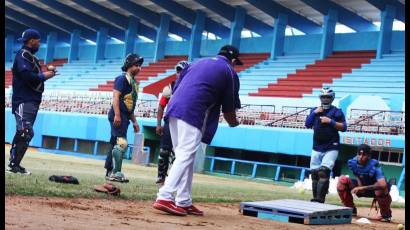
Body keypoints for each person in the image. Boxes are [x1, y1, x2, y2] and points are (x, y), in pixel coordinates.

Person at [153, 45, 242, 216]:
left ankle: (183, 201)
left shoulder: (196, 63)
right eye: (235, 63)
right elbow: (229, 110)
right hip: (193, 112)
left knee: (185, 156)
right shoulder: (228, 71)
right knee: (186, 154)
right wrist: (234, 123)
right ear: (233, 61)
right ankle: (164, 196)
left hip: (173, 109)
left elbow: (176, 86)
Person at [6, 29, 58, 175]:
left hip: (32, 99)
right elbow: (28, 76)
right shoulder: (23, 55)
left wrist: (46, 73)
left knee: (25, 132)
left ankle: (15, 164)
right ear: (32, 40)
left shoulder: (31, 57)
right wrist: (45, 75)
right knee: (25, 131)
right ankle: (13, 165)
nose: (39, 43)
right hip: (24, 99)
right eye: (38, 40)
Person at [104, 53, 143, 183]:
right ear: (129, 65)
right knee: (122, 143)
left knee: (115, 143)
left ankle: (110, 171)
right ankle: (116, 173)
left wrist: (135, 122)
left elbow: (129, 105)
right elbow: (115, 97)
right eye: (136, 65)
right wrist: (117, 114)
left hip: (124, 116)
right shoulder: (122, 79)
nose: (139, 68)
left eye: (140, 66)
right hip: (118, 115)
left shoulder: (134, 83)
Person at [305, 87, 347, 203]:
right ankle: (315, 198)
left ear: (332, 98)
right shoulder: (315, 110)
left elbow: (344, 127)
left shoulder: (337, 111)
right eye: (323, 97)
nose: (325, 99)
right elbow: (307, 124)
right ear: (320, 98)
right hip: (317, 146)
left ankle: (320, 199)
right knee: (314, 173)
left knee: (323, 171)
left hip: (331, 146)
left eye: (328, 97)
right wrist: (314, 113)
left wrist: (330, 121)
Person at [155, 60, 190, 186]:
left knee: (179, 153)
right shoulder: (169, 87)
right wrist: (158, 124)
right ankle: (161, 176)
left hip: (184, 123)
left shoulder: (191, 88)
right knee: (164, 151)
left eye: (182, 70)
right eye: (178, 70)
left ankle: (175, 179)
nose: (179, 73)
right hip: (169, 121)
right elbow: (160, 107)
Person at [337, 144, 392, 222]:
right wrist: (360, 186)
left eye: (364, 155)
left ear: (369, 156)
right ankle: (350, 209)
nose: (361, 157)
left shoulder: (375, 166)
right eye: (359, 154)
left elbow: (383, 184)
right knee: (342, 180)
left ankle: (386, 214)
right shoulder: (353, 163)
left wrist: (362, 188)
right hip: (362, 186)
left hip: (376, 190)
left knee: (381, 188)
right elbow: (357, 174)